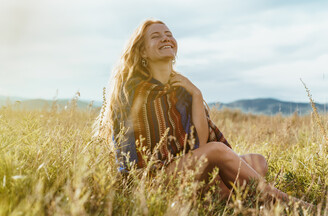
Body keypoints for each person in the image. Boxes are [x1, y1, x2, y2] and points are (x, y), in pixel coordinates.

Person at [96, 18, 311, 207]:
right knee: (218, 152)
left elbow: (199, 145)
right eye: (156, 36)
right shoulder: (130, 93)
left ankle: (214, 199)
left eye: (169, 34)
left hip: (190, 172)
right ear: (142, 51)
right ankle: (282, 201)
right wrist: (141, 184)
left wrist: (196, 94)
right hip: (151, 178)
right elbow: (127, 158)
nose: (165, 38)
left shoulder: (184, 91)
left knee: (258, 162)